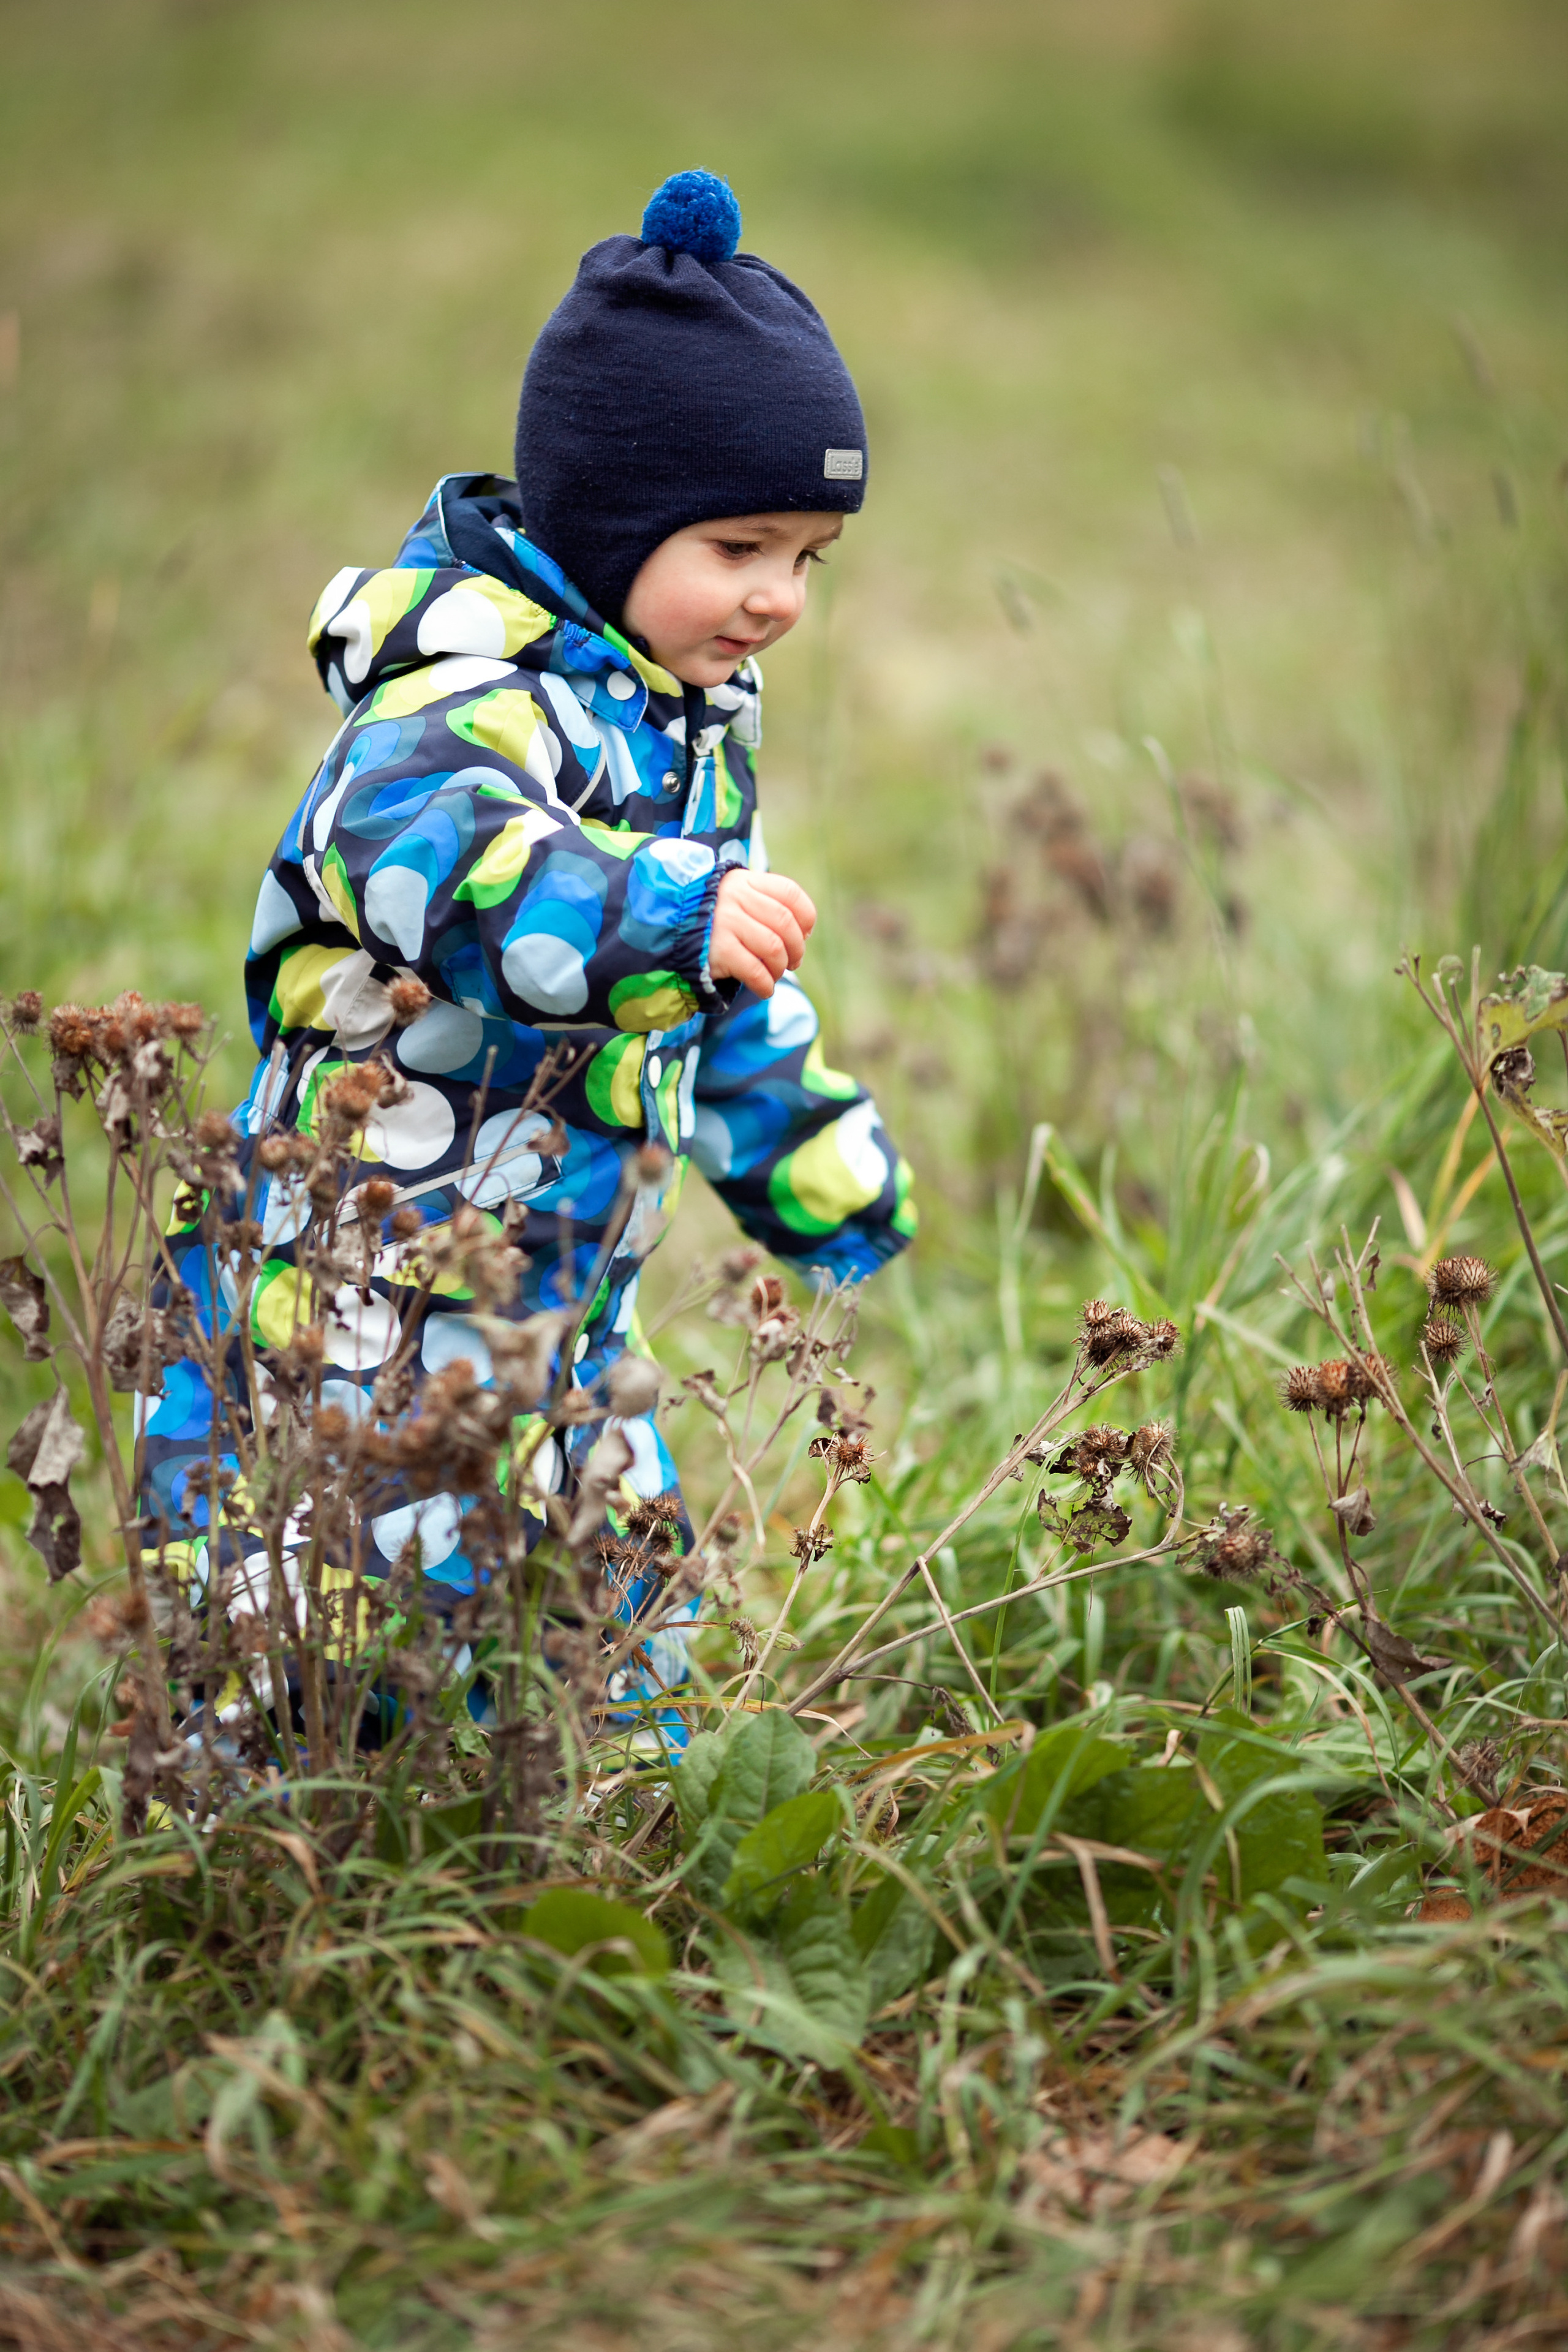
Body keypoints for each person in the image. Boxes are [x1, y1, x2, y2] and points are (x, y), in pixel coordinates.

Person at [138, 169, 915, 1747]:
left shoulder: (680, 739)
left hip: (563, 1305)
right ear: (610, 522)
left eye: (810, 559)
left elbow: (721, 996)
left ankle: (605, 1819)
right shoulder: (442, 715)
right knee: (323, 1605)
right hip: (367, 1291)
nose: (775, 599)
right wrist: (672, 923)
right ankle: (273, 1843)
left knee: (618, 1594)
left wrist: (816, 1169)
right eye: (739, 544)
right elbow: (476, 890)